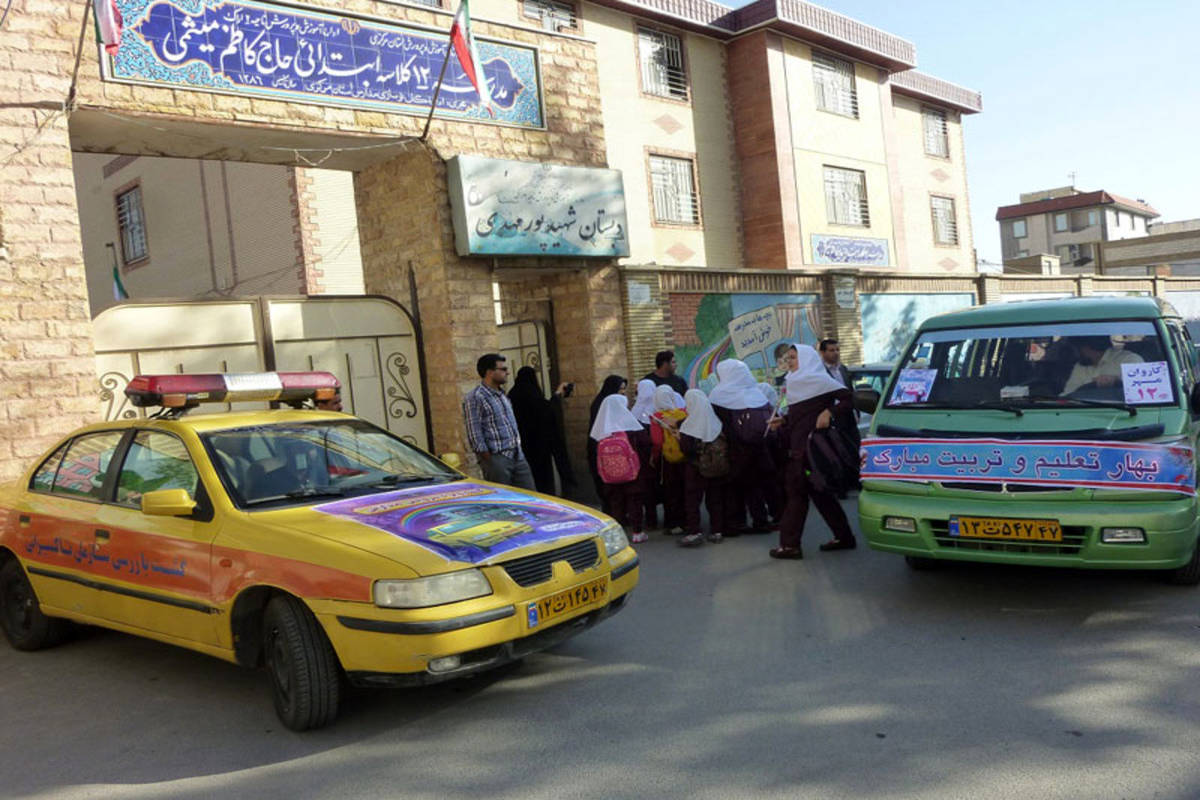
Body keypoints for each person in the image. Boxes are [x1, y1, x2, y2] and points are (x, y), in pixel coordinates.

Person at [768, 343, 857, 559]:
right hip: (799, 445)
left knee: (796, 494)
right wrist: (784, 420)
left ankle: (790, 545)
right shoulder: (795, 381)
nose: (789, 362)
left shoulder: (820, 380)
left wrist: (829, 412)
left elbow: (849, 398)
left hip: (812, 448)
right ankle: (844, 537)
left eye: (793, 357)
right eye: (788, 358)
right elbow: (802, 413)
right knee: (820, 495)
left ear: (806, 359)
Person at [708, 359, 774, 536]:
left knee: (733, 487)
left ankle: (736, 523)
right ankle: (761, 520)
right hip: (758, 447)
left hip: (734, 448)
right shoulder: (757, 393)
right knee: (755, 486)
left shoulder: (718, 395)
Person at [462, 353, 536, 491]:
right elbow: (475, 433)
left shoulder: (502, 395)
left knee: (530, 496)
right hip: (498, 458)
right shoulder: (476, 397)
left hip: (517, 455)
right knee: (502, 497)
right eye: (503, 369)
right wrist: (489, 459)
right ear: (490, 372)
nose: (507, 372)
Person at [590, 393, 651, 543]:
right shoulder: (632, 426)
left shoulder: (602, 429)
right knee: (634, 501)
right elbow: (645, 445)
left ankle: (618, 534)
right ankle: (637, 532)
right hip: (632, 473)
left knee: (615, 502)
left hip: (610, 475)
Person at [508, 366, 575, 497]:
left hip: (521, 447)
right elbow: (547, 412)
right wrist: (557, 394)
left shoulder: (512, 395)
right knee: (542, 482)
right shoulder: (533, 395)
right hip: (539, 446)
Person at [677, 389, 726, 547]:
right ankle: (717, 531)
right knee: (715, 499)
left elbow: (686, 448)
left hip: (694, 468)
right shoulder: (715, 421)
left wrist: (679, 438)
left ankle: (694, 532)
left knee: (693, 500)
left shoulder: (689, 424)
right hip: (715, 467)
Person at [648, 384, 687, 536]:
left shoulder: (657, 417)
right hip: (685, 457)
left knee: (670, 492)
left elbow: (657, 441)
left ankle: (673, 523)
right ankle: (687, 521)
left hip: (667, 461)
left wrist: (654, 457)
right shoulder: (683, 413)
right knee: (684, 490)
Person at [588, 375, 628, 510]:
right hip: (601, 450)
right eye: (621, 389)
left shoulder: (612, 402)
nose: (623, 392)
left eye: (624, 389)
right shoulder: (602, 404)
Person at [819, 338, 861, 457]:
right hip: (832, 418)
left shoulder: (843, 369)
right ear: (822, 353)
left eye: (837, 350)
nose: (836, 353)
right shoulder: (819, 373)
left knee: (854, 450)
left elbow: (850, 391)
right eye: (832, 350)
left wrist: (856, 411)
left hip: (849, 417)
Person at [1061, 335, 1143, 395]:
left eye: (1077, 349)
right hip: (1082, 410)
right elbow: (1068, 394)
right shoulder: (1080, 366)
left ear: (1088, 348)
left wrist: (1117, 381)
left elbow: (1140, 391)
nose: (1075, 353)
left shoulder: (1129, 359)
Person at [629, 379, 660, 528]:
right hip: (654, 456)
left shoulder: (634, 411)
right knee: (652, 488)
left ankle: (642, 520)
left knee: (641, 489)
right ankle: (652, 519)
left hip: (639, 458)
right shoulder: (658, 408)